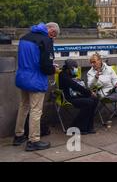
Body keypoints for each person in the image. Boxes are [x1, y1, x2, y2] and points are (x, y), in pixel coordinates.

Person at [13, 22, 59, 151]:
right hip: (36, 80)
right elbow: (45, 66)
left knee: (24, 106)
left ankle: (18, 135)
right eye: (54, 34)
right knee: (36, 110)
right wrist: (53, 69)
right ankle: (33, 140)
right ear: (50, 30)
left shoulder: (24, 37)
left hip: (22, 77)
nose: (53, 37)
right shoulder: (46, 40)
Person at [59, 59, 98, 135]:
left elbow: (79, 85)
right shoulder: (63, 75)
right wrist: (89, 93)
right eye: (74, 68)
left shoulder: (72, 74)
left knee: (95, 99)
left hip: (77, 96)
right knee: (89, 102)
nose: (76, 70)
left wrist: (89, 93)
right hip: (69, 98)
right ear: (69, 68)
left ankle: (89, 126)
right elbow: (75, 86)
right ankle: (75, 127)